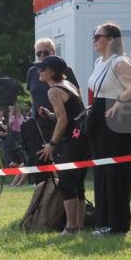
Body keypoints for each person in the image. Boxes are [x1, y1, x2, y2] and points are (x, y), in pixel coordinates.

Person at [86, 22, 131, 235]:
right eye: (93, 36)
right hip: (99, 118)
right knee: (102, 171)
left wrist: (121, 101)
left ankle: (118, 224)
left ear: (111, 39)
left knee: (116, 172)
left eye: (98, 36)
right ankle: (103, 221)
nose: (94, 40)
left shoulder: (119, 61)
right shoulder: (99, 62)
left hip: (116, 122)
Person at [36, 55, 90, 234]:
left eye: (42, 68)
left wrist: (52, 143)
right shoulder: (70, 85)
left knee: (66, 183)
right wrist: (51, 115)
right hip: (83, 138)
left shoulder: (53, 91)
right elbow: (73, 114)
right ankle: (79, 226)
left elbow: (63, 121)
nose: (39, 71)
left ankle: (70, 227)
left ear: (52, 71)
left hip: (72, 141)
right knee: (78, 183)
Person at [26, 38, 79, 117]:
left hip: (60, 118)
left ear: (53, 52)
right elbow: (32, 94)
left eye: (46, 53)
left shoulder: (64, 70)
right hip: (38, 120)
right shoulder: (32, 71)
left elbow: (76, 94)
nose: (42, 56)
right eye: (38, 53)